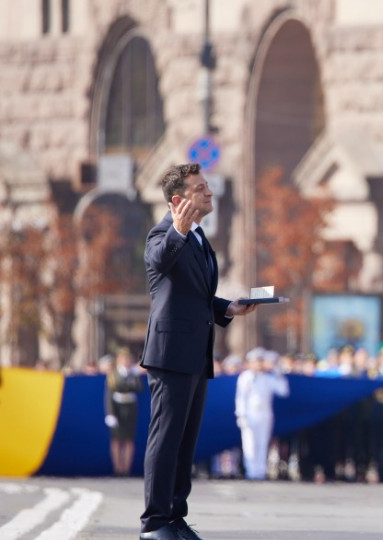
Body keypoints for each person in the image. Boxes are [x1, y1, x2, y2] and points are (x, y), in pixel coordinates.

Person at [139, 163, 257, 540]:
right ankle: (154, 522)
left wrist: (228, 308)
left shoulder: (199, 238)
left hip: (195, 351)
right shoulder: (164, 233)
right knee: (166, 438)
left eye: (208, 187)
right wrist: (178, 228)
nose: (210, 193)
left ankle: (175, 516)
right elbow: (159, 261)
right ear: (178, 200)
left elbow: (194, 295)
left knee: (185, 442)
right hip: (170, 352)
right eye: (200, 188)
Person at [236, 348, 290, 480]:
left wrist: (277, 372)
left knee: (262, 443)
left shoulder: (268, 377)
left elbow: (284, 391)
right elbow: (241, 397)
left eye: (260, 361)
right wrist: (241, 415)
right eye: (255, 361)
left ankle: (260, 472)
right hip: (250, 413)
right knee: (249, 444)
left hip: (265, 413)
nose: (258, 364)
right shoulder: (246, 377)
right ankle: (251, 471)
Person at [104, 348, 142, 476]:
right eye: (123, 359)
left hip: (130, 407)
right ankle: (117, 468)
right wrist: (110, 413)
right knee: (116, 440)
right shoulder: (114, 374)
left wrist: (132, 374)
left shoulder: (133, 374)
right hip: (117, 407)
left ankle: (126, 469)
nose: (126, 361)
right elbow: (109, 394)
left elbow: (138, 387)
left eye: (128, 359)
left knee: (129, 440)